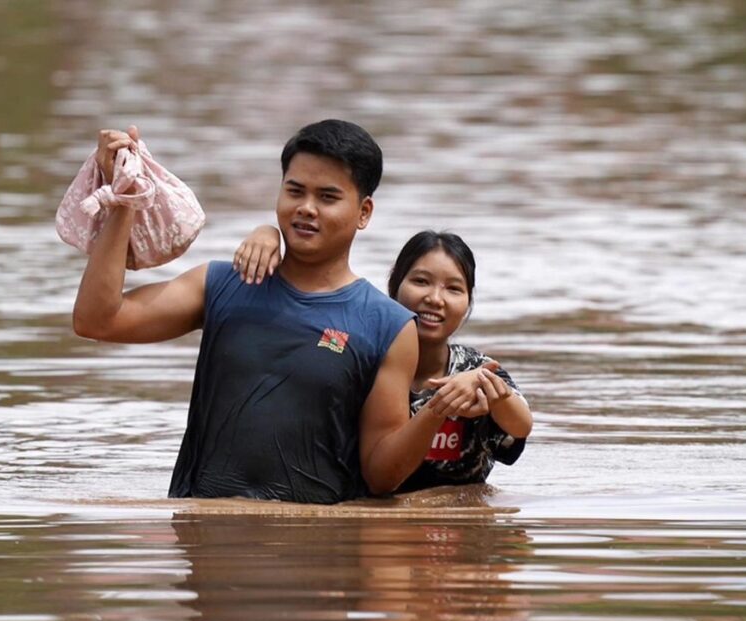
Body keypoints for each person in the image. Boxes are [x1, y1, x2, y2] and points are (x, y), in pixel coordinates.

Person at [73, 119, 471, 503]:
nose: (306, 208)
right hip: (208, 545)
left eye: (327, 197)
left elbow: (381, 476)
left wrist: (435, 411)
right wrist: (124, 200)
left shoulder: (387, 325)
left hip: (316, 552)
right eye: (295, 191)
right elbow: (98, 319)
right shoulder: (223, 284)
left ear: (364, 212)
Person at [234, 228, 533, 492]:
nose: (435, 298)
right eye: (421, 281)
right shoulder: (358, 357)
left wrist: (489, 391)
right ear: (394, 286)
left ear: (468, 302)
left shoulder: (474, 369)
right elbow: (304, 329)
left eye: (453, 289)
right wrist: (269, 236)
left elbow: (521, 426)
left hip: (457, 532)